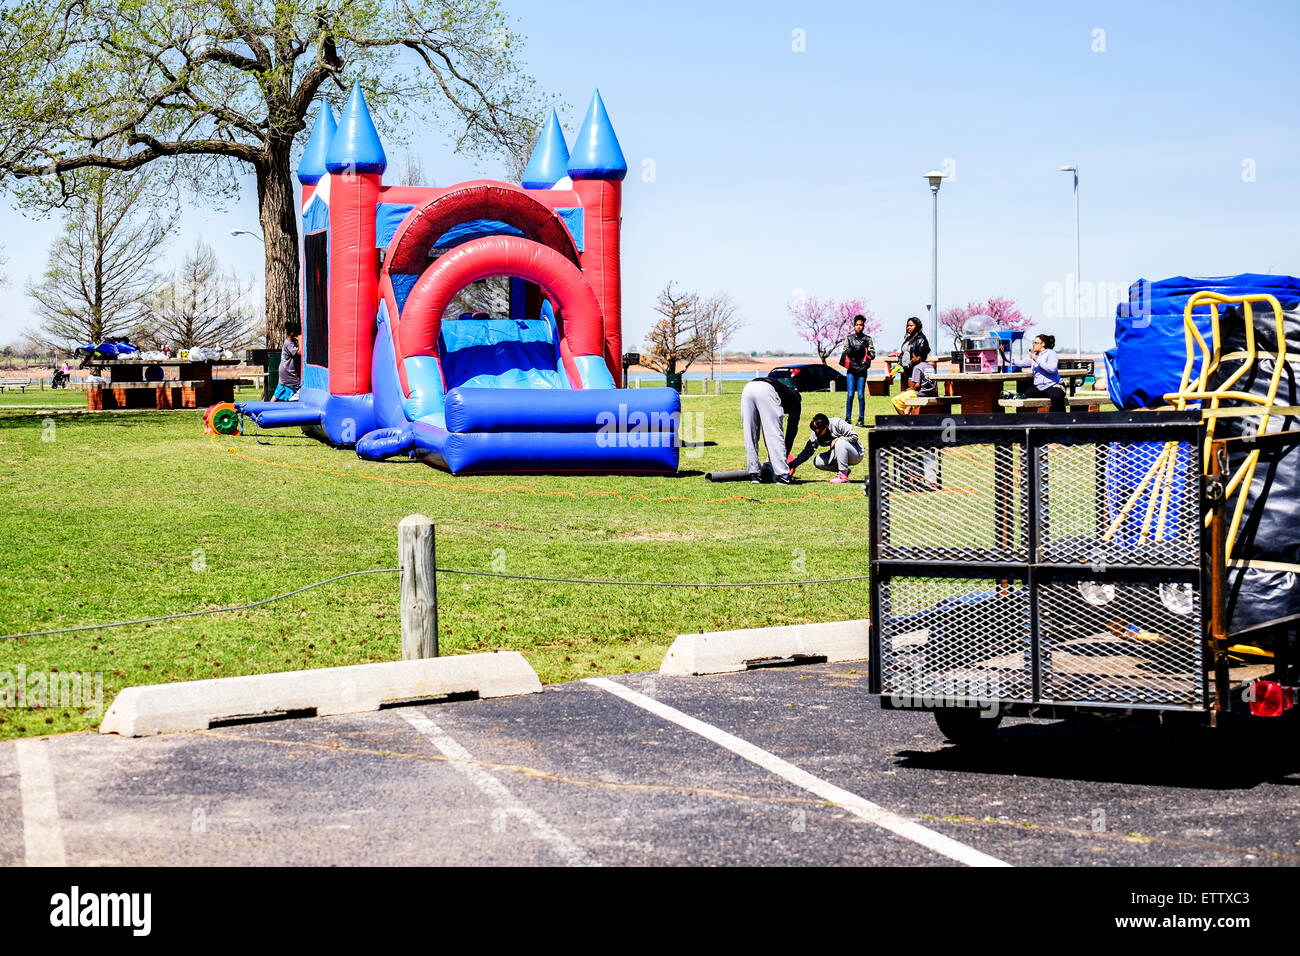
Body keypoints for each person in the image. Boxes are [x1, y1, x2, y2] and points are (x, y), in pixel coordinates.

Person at [740, 373, 802, 484]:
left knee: (750, 433)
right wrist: (785, 455)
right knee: (774, 433)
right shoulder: (796, 400)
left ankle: (755, 474)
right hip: (766, 390)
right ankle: (782, 475)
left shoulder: (785, 392)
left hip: (748, 388)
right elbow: (791, 430)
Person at [788, 413, 864, 484]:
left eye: (819, 429)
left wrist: (839, 439)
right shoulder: (816, 433)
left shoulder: (837, 423)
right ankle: (845, 470)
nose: (816, 431)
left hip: (855, 454)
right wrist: (792, 465)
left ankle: (843, 475)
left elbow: (854, 436)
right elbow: (807, 452)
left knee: (839, 442)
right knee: (818, 461)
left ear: (826, 426)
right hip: (838, 454)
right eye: (815, 429)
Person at [1002, 333, 1065, 412]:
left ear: (1043, 344)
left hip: (1053, 385)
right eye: (1033, 342)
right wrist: (1004, 356)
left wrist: (1037, 359)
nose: (1033, 345)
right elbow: (1020, 363)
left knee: (1056, 396)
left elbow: (1052, 369)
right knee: (1023, 396)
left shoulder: (1051, 353)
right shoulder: (1034, 356)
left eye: (1036, 343)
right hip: (1040, 387)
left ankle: (1061, 419)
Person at [839, 314, 875, 426]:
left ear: (863, 326)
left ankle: (861, 419)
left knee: (861, 395)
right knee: (850, 395)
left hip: (862, 371)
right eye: (857, 325)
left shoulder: (867, 339)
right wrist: (851, 351)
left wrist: (865, 363)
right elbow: (843, 354)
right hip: (851, 370)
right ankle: (847, 419)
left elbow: (872, 354)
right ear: (854, 326)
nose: (859, 327)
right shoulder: (849, 339)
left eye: (861, 325)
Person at [890, 343, 937, 414]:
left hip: (920, 393)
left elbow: (917, 385)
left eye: (913, 357)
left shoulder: (917, 367)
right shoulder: (930, 366)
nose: (912, 359)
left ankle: (904, 420)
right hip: (930, 393)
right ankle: (908, 415)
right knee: (908, 397)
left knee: (895, 400)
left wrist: (911, 388)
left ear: (918, 357)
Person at [891, 317, 930, 385]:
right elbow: (902, 353)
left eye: (911, 326)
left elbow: (919, 357)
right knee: (904, 393)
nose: (908, 327)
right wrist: (899, 365)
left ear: (917, 327)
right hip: (904, 370)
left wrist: (908, 366)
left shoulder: (921, 339)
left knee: (912, 392)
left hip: (914, 371)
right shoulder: (908, 339)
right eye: (907, 326)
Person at [274, 319, 303, 401]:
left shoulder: (287, 342)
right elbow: (300, 352)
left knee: (277, 393)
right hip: (288, 372)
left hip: (283, 370)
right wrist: (300, 340)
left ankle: (265, 408)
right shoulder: (289, 344)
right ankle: (291, 402)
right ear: (293, 333)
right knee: (298, 386)